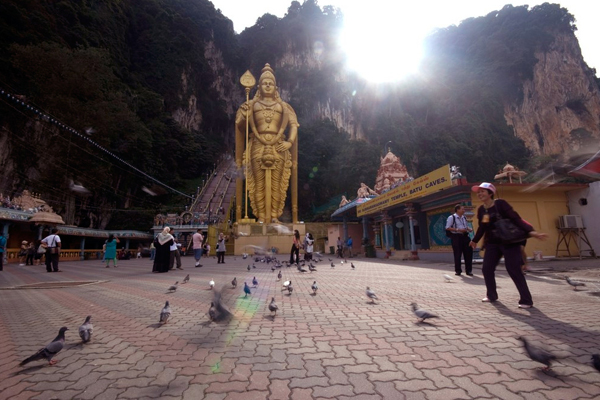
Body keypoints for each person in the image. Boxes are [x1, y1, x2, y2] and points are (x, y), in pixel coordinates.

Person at [235, 63, 299, 223]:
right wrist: (244, 115)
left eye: (271, 83)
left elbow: (294, 125)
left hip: (279, 146)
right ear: (259, 86)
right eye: (265, 83)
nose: (268, 85)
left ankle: (275, 216)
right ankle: (262, 216)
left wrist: (289, 142)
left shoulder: (283, 107)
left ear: (275, 86)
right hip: (257, 144)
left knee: (277, 184)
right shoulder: (252, 105)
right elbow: (240, 126)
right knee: (259, 183)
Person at [469, 183, 547, 308]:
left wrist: (530, 231)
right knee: (487, 269)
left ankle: (526, 300)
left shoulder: (500, 204)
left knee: (514, 270)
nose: (479, 194)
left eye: (482, 191)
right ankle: (491, 295)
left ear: (490, 193)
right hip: (493, 243)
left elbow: (516, 218)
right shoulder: (482, 210)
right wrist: (475, 240)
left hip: (509, 242)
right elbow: (483, 226)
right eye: (478, 192)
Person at [446, 204, 474, 276]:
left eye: (464, 209)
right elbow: (447, 227)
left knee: (468, 253)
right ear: (457, 210)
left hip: (465, 236)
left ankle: (469, 270)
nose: (464, 210)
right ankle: (458, 270)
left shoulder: (464, 217)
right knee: (457, 254)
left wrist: (468, 229)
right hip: (456, 237)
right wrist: (458, 229)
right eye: (462, 209)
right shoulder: (452, 217)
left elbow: (465, 226)